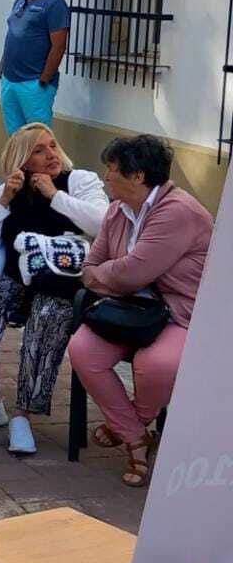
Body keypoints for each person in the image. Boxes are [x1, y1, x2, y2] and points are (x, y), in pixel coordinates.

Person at [0, 123, 108, 454]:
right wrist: (5, 200)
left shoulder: (79, 181)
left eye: (52, 145)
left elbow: (102, 222)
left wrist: (55, 196)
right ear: (22, 159)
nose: (51, 154)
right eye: (39, 150)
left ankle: (24, 413)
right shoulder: (6, 191)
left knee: (49, 316)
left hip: (61, 280)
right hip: (13, 277)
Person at [71, 135, 212, 487]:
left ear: (137, 176)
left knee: (156, 365)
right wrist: (113, 276)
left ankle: (126, 427)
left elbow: (131, 273)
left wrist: (111, 276)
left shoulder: (178, 211)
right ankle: (136, 436)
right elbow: (91, 265)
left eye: (112, 170)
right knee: (82, 350)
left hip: (179, 312)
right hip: (128, 310)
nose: (106, 177)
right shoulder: (118, 209)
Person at [0, 0, 69, 133]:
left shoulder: (54, 4)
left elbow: (59, 45)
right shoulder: (19, 1)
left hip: (34, 84)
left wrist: (44, 79)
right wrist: (2, 67)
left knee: (38, 139)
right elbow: (13, 34)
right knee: (16, 139)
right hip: (10, 80)